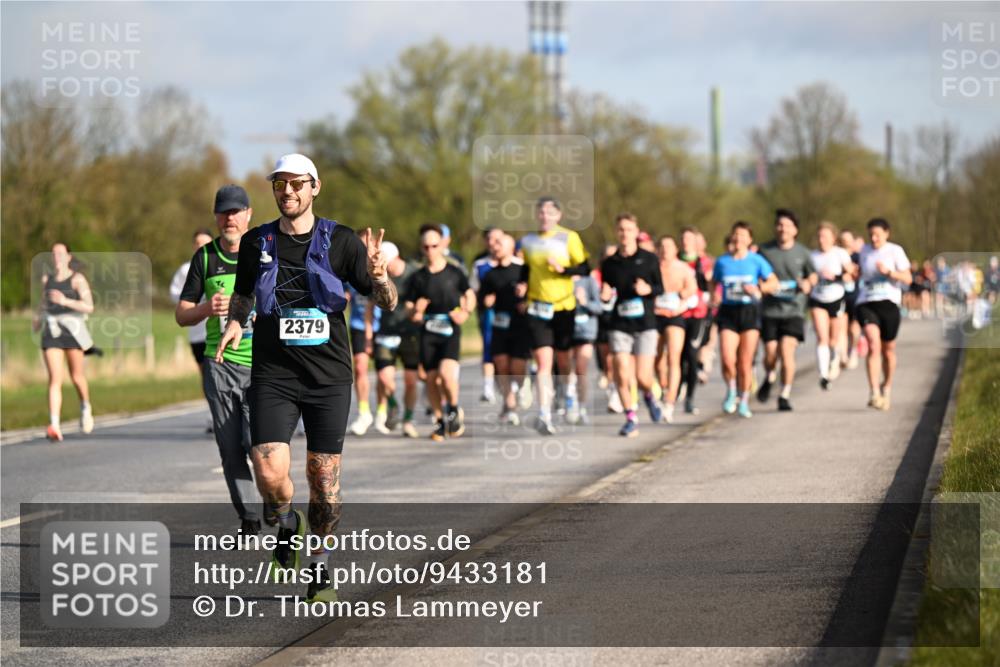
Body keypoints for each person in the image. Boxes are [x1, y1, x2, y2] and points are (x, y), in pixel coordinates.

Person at [217, 153, 397, 603]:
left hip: (328, 377)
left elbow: (387, 302)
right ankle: (287, 521)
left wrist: (380, 277)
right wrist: (236, 321)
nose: (288, 192)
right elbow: (243, 294)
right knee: (267, 469)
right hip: (274, 374)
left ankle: (319, 566)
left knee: (323, 478)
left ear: (315, 187)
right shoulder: (257, 241)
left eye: (297, 183)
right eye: (280, 184)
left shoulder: (342, 241)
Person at [176, 185, 261, 536]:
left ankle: (278, 504)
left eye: (236, 212)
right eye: (224, 212)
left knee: (259, 445)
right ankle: (250, 517)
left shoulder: (264, 253)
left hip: (261, 366)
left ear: (248, 214)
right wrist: (206, 308)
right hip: (219, 363)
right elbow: (182, 314)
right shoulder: (205, 257)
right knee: (230, 448)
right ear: (216, 217)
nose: (230, 218)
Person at [517, 197, 591, 435]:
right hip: (537, 308)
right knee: (543, 364)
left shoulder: (568, 237)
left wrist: (564, 270)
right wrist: (521, 286)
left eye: (549, 213)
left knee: (563, 361)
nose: (545, 217)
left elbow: (585, 268)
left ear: (558, 216)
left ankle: (569, 394)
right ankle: (544, 414)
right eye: (541, 212)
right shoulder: (528, 241)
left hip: (563, 307)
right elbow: (526, 269)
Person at [407, 224, 475, 441]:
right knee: (430, 378)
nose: (430, 250)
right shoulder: (418, 277)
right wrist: (416, 311)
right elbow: (409, 307)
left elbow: (469, 295)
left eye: (434, 246)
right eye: (426, 247)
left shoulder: (454, 272)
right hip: (428, 331)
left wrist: (465, 312)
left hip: (450, 329)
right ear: (422, 248)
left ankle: (453, 409)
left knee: (446, 374)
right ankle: (439, 421)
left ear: (442, 245)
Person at [600, 213, 664, 437]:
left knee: (643, 377)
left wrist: (648, 290)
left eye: (629, 229)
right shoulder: (609, 263)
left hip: (645, 324)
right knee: (621, 371)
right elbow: (607, 291)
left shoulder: (649, 259)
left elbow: (660, 288)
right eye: (621, 229)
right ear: (616, 232)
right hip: (620, 323)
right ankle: (630, 417)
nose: (624, 233)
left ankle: (649, 396)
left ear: (636, 232)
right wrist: (605, 296)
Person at [711, 223, 778, 419]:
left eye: (743, 235)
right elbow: (713, 282)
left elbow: (773, 282)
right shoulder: (722, 261)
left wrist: (759, 289)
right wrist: (714, 294)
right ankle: (732, 391)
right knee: (727, 359)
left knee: (745, 361)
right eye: (736, 234)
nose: (738, 238)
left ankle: (745, 401)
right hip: (728, 312)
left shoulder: (756, 260)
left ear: (750, 240)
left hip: (750, 312)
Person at [34, 243, 96, 441]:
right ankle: (54, 425)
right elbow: (43, 303)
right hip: (51, 331)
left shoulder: (77, 279)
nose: (57, 257)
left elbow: (89, 307)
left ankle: (85, 407)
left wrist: (65, 301)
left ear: (69, 257)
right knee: (55, 378)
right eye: (53, 253)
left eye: (60, 253)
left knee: (76, 376)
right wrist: (37, 319)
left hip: (73, 331)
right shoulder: (47, 280)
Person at [757, 209, 816, 412]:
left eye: (788, 225)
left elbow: (813, 275)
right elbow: (755, 272)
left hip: (794, 310)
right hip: (770, 311)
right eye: (780, 225)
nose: (783, 229)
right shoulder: (764, 251)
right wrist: (761, 285)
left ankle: (784, 394)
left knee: (786, 350)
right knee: (770, 354)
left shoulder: (803, 252)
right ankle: (770, 375)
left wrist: (808, 283)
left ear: (795, 230)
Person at [855, 218, 912, 411]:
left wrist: (889, 273)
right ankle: (874, 393)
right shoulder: (864, 251)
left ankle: (886, 387)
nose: (873, 238)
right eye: (871, 234)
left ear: (887, 233)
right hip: (866, 302)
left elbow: (907, 278)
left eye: (877, 234)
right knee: (873, 344)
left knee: (888, 350)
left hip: (889, 303)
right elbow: (857, 271)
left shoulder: (895, 251)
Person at [369, 242, 422, 438]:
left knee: (411, 381)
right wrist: (368, 335)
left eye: (387, 263)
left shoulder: (414, 274)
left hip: (410, 333)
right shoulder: (378, 275)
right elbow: (370, 305)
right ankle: (393, 404)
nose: (385, 267)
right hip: (386, 331)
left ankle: (408, 420)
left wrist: (419, 310)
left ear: (397, 257)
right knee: (384, 377)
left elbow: (426, 296)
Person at [480, 233, 529, 425]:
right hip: (499, 324)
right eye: (493, 244)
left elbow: (534, 291)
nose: (495, 247)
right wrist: (486, 301)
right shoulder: (490, 274)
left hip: (520, 325)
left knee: (517, 367)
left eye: (499, 243)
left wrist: (526, 299)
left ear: (510, 247)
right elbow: (482, 299)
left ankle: (523, 385)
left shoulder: (522, 270)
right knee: (501, 364)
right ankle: (510, 405)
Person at [171, 228, 215, 434]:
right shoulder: (186, 269)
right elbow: (176, 295)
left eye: (205, 243)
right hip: (197, 332)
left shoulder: (219, 263)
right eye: (197, 243)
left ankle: (223, 414)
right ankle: (212, 412)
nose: (201, 246)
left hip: (218, 331)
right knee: (205, 375)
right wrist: (194, 299)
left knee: (219, 372)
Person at [654, 235, 697, 423]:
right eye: (662, 247)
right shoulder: (653, 267)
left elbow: (692, 290)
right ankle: (664, 388)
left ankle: (670, 401)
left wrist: (682, 298)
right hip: (656, 315)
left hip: (675, 315)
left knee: (674, 357)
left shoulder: (683, 268)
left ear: (675, 249)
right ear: (657, 249)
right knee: (656, 359)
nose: (665, 250)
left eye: (669, 247)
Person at [808, 222, 856, 390]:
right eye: (820, 236)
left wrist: (835, 277)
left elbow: (852, 274)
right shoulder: (812, 256)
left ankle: (834, 357)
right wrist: (811, 279)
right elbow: (807, 277)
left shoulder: (840, 254)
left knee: (833, 339)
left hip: (836, 298)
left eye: (825, 236)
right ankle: (823, 375)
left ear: (833, 238)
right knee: (822, 337)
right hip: (817, 299)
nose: (822, 240)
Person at [677, 227, 713, 414]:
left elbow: (714, 286)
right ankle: (679, 384)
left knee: (691, 355)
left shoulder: (705, 263)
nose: (686, 242)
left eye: (690, 239)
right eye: (683, 239)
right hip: (677, 312)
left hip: (698, 314)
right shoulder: (674, 261)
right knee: (678, 355)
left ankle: (689, 398)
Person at [470, 227, 505, 404]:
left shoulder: (517, 262)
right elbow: (473, 290)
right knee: (489, 346)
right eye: (489, 239)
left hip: (511, 314)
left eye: (497, 239)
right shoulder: (480, 264)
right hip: (488, 313)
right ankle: (488, 388)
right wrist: (481, 300)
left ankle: (516, 384)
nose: (493, 243)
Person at [566, 267, 602, 425]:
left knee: (581, 369)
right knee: (567, 369)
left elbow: (599, 307)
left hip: (586, 331)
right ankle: (568, 401)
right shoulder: (561, 280)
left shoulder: (589, 281)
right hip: (566, 330)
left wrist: (584, 301)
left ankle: (582, 408)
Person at [346, 278, 380, 436]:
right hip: (358, 325)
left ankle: (385, 409)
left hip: (382, 326)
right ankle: (364, 412)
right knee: (360, 368)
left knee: (385, 375)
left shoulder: (380, 270)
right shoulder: (349, 270)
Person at [837, 230, 863, 370]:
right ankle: (842, 356)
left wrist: (853, 273)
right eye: (843, 239)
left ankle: (853, 351)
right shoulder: (836, 255)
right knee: (842, 327)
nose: (846, 242)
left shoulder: (858, 257)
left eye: (848, 239)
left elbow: (860, 273)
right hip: (840, 296)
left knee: (853, 328)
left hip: (855, 295)